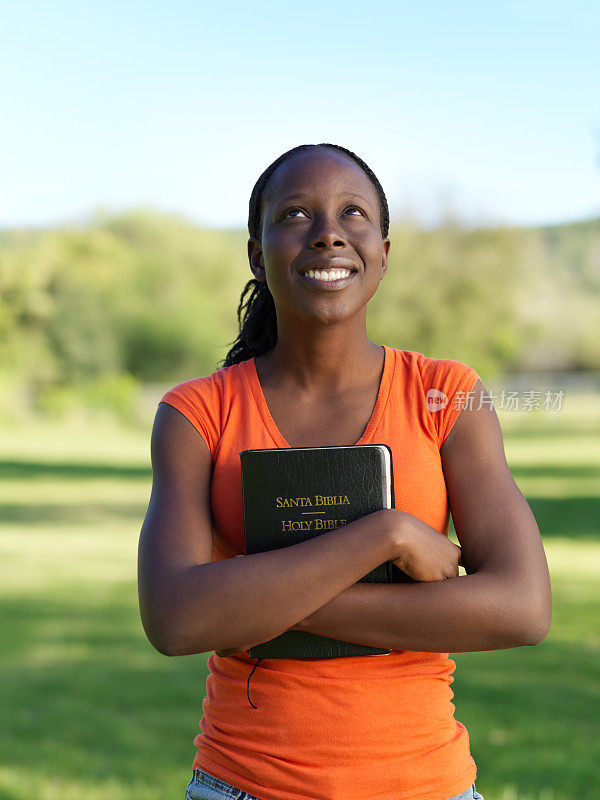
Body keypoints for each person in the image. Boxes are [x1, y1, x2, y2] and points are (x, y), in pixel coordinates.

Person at [137, 143, 552, 800]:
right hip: (245, 785)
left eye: (352, 213)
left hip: (427, 784)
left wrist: (256, 603)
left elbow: (521, 608)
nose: (327, 231)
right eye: (296, 214)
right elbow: (174, 620)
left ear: (383, 254)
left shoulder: (449, 394)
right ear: (256, 254)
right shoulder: (196, 414)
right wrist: (383, 536)